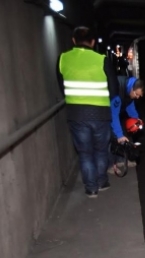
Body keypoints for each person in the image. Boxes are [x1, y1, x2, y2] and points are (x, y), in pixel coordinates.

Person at [57, 26, 119, 198]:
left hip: (76, 114)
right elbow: (114, 89)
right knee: (100, 150)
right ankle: (102, 182)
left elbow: (62, 87)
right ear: (93, 42)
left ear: (73, 41)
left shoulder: (63, 59)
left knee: (85, 153)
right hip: (100, 114)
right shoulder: (102, 60)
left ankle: (91, 189)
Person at [108, 76, 144, 172]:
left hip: (112, 112)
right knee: (109, 137)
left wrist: (137, 119)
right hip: (102, 113)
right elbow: (113, 115)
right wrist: (119, 135)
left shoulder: (129, 91)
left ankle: (120, 160)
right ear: (132, 89)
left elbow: (130, 106)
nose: (137, 97)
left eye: (139, 96)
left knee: (121, 136)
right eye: (136, 94)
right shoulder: (118, 91)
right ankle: (110, 165)